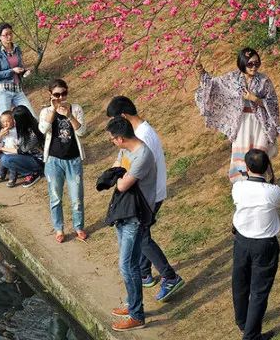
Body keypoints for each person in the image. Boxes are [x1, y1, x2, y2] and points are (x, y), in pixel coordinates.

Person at [106, 96, 184, 301]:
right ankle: (144, 273)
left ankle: (169, 276)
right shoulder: (140, 132)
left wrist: (119, 175)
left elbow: (131, 170)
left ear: (123, 116)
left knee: (141, 237)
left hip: (147, 196)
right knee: (142, 235)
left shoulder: (142, 137)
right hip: (146, 194)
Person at [195, 47, 280, 182]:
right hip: (241, 124)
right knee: (242, 156)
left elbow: (273, 103)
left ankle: (265, 183)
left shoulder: (264, 80)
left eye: (256, 63)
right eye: (250, 64)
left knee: (260, 155)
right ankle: (243, 185)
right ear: (242, 64)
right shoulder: (233, 79)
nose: (254, 67)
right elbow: (213, 86)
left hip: (260, 124)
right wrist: (200, 68)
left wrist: (255, 99)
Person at [106, 116, 157, 332]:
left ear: (119, 138)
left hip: (135, 216)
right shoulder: (126, 150)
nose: (112, 142)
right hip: (125, 213)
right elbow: (115, 168)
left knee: (128, 265)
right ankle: (132, 304)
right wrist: (117, 175)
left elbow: (122, 184)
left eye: (111, 139)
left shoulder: (142, 155)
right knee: (130, 263)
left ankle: (137, 315)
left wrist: (118, 177)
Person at [231, 149, 280, 340]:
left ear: (246, 167)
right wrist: (271, 178)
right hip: (264, 245)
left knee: (240, 283)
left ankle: (243, 322)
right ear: (267, 167)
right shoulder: (273, 192)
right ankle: (251, 336)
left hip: (241, 241)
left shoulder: (238, 187)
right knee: (259, 291)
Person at [39, 79, 87, 243]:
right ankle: (59, 229)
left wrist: (69, 115)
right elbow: (43, 130)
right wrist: (53, 110)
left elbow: (82, 132)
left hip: (73, 160)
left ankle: (78, 227)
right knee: (55, 197)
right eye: (57, 95)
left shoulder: (76, 108)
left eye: (64, 93)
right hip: (53, 161)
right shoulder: (46, 111)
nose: (61, 98)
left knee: (77, 197)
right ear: (50, 95)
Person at [0, 22, 35, 115]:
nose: (9, 37)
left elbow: (19, 66)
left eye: (10, 33)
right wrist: (12, 71)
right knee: (8, 121)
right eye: (6, 35)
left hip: (17, 89)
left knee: (31, 115)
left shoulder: (16, 48)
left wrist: (24, 71)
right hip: (3, 91)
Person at [0, 105, 45, 186]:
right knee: (4, 157)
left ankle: (34, 172)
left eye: (14, 119)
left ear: (21, 120)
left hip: (38, 160)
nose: (12, 121)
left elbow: (20, 151)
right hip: (28, 156)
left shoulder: (32, 132)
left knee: (5, 159)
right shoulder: (24, 128)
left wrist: (1, 148)